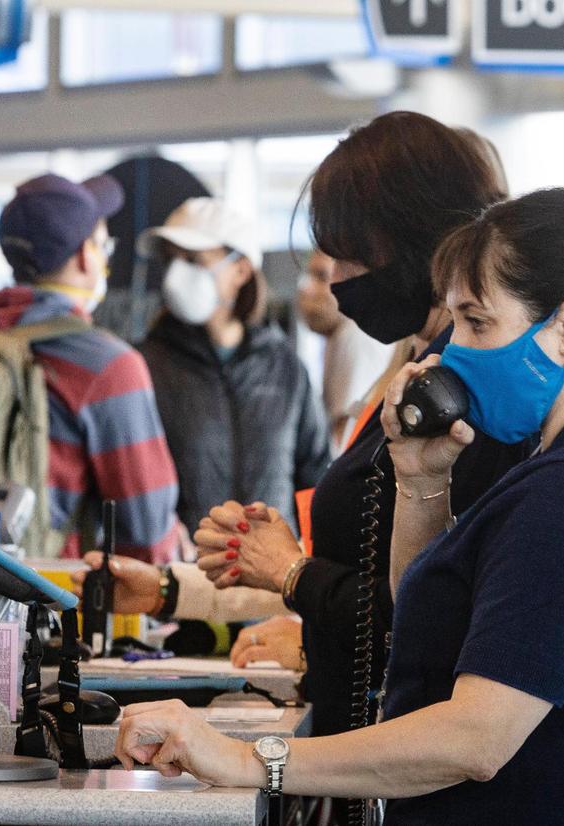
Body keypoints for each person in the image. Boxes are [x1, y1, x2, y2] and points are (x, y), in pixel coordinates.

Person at [112, 188, 564, 825]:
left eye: (479, 322)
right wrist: (421, 480)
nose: (452, 351)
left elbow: (475, 738)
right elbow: (432, 619)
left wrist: (246, 758)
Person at [189, 112, 527, 748]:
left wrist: (292, 573)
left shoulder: (467, 392)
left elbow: (430, 607)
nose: (337, 280)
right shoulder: (419, 371)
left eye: (348, 254)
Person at [0, 172, 179, 562]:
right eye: (104, 243)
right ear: (88, 255)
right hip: (50, 602)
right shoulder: (109, 367)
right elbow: (147, 532)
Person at [136, 196, 331, 537]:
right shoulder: (146, 366)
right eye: (172, 260)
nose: (177, 273)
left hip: (271, 579)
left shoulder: (284, 367)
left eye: (194, 260)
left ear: (241, 270)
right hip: (181, 576)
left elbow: (316, 476)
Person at [297, 249, 395, 454]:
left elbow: (343, 438)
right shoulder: (339, 335)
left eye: (321, 276)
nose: (307, 289)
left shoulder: (356, 335)